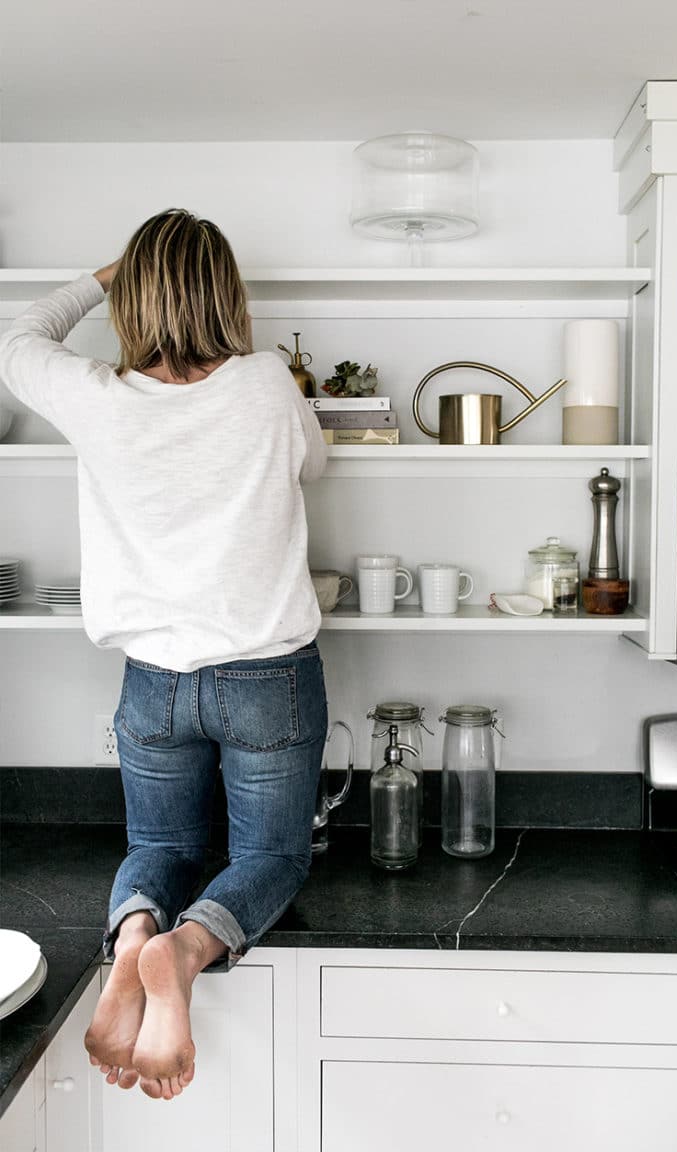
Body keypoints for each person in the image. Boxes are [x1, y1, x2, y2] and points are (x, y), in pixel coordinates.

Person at [0, 209, 329, 1101]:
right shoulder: (267, 383)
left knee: (162, 842)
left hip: (150, 684)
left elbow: (17, 336)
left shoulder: (94, 397)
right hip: (266, 677)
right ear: (228, 295)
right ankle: (183, 952)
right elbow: (318, 460)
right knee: (270, 859)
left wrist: (100, 279)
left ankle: (139, 930)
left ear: (134, 299)